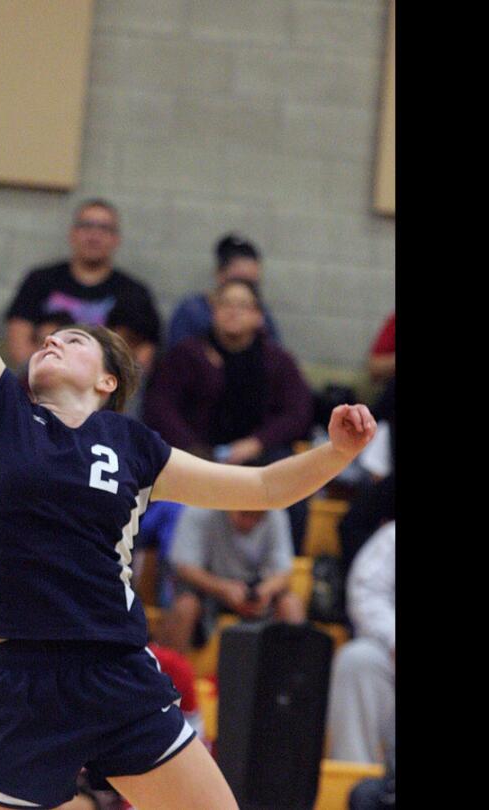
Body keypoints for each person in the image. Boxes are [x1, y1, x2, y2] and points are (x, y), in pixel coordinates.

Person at [0, 99, 376, 810]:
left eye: (76, 339)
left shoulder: (133, 445)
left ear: (107, 380)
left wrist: (337, 452)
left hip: (118, 673)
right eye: (47, 336)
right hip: (20, 682)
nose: (54, 339)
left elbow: (264, 488)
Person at [143, 278, 315, 548]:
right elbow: (159, 406)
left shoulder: (277, 360)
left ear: (259, 316)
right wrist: (192, 448)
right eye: (226, 304)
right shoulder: (187, 354)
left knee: (293, 486)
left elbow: (298, 412)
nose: (233, 311)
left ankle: (286, 573)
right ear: (214, 312)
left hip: (258, 456)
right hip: (195, 455)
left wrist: (256, 443)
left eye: (243, 305)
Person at [2, 199, 161, 372]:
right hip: (41, 384)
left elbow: (141, 360)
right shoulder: (39, 280)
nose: (94, 236)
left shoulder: (135, 292)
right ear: (72, 233)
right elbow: (18, 347)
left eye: (104, 228)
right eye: (87, 226)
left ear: (116, 239)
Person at [160, 504, 304, 653]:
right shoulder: (200, 508)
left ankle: (291, 673)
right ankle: (168, 671)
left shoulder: (276, 514)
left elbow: (284, 573)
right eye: (245, 514)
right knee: (185, 606)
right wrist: (223, 589)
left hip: (255, 590)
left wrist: (264, 591)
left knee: (290, 605)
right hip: (207, 589)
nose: (249, 523)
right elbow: (183, 567)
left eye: (257, 517)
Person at [326, 521, 395, 765]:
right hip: (391, 652)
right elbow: (366, 591)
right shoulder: (391, 538)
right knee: (357, 660)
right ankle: (354, 778)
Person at [164, 234, 282, 350]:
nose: (243, 289)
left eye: (252, 284)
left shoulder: (260, 313)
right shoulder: (191, 311)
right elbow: (178, 357)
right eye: (238, 280)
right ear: (219, 274)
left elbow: (275, 356)